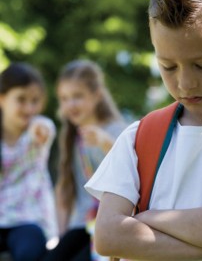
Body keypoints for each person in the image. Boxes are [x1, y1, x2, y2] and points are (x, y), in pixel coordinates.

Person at [84, 0, 202, 260]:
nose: (185, 83)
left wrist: (146, 218)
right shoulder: (139, 137)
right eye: (168, 66)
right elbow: (108, 237)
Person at [42, 59, 127, 261]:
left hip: (108, 225)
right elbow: (64, 190)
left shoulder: (119, 131)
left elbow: (132, 173)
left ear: (97, 95)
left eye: (77, 96)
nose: (70, 104)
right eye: (64, 98)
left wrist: (106, 144)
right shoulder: (72, 137)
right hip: (81, 224)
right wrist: (61, 235)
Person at [0, 62, 58, 261]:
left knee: (29, 252)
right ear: (2, 98)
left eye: (35, 101)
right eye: (21, 100)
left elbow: (44, 128)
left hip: (28, 219)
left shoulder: (38, 130)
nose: (29, 107)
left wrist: (40, 132)